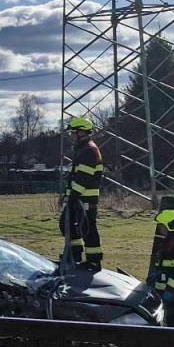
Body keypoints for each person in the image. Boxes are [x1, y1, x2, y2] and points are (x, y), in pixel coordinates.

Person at [62, 115, 104, 269]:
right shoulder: (83, 150)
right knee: (71, 226)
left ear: (81, 132)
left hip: (85, 198)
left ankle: (93, 260)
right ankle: (75, 255)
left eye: (73, 133)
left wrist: (73, 196)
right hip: (79, 197)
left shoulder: (88, 151)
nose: (71, 136)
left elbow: (84, 177)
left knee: (88, 229)